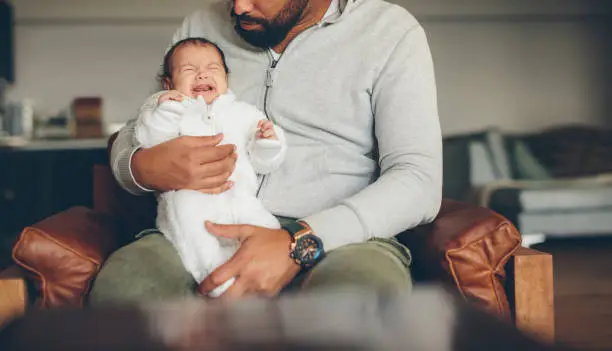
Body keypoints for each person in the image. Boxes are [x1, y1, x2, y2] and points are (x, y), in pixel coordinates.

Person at [89, 0, 442, 303]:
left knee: (356, 306)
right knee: (123, 292)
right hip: (196, 227)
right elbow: (139, 129)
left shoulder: (389, 32)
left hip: (343, 240)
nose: (238, 8)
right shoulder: (200, 26)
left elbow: (418, 180)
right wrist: (139, 167)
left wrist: (298, 241)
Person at [135, 37, 287, 298]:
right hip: (189, 203)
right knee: (197, 239)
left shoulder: (244, 114)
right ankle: (217, 282)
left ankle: (272, 281)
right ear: (168, 84)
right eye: (189, 70)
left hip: (241, 199)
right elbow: (148, 141)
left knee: (266, 228)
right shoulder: (168, 111)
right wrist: (167, 111)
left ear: (226, 78)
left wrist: (268, 143)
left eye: (212, 68)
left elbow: (264, 163)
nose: (202, 73)